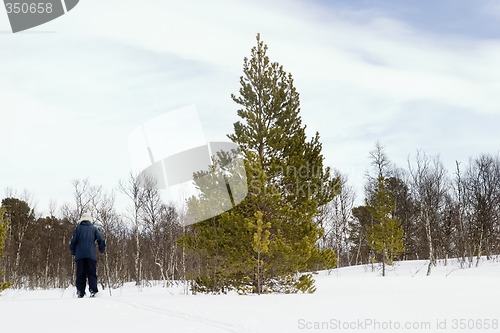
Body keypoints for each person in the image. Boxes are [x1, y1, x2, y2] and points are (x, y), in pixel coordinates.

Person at [69, 212, 106, 298]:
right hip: (91, 255)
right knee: (91, 273)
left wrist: (73, 251)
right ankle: (93, 291)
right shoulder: (94, 228)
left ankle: (80, 292)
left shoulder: (78, 229)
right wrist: (102, 249)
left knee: (80, 274)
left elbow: (73, 241)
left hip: (80, 255)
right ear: (90, 219)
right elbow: (101, 239)